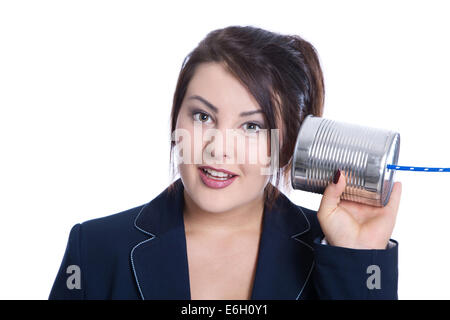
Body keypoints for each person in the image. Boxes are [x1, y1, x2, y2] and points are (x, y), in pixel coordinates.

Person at [49, 25, 402, 300]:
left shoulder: (333, 252)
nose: (219, 149)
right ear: (176, 120)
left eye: (251, 126)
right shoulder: (95, 248)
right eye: (202, 117)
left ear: (287, 143)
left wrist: (357, 259)